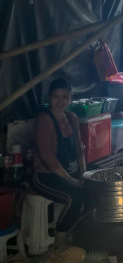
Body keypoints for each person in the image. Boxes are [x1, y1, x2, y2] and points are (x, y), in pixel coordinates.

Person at [32, 78, 86, 244]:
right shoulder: (44, 120)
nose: (60, 101)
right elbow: (48, 158)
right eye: (56, 96)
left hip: (69, 172)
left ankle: (78, 236)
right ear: (49, 97)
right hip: (45, 176)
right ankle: (59, 244)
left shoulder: (71, 118)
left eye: (65, 97)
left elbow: (79, 147)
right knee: (74, 198)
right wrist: (72, 181)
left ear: (70, 98)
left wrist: (84, 173)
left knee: (93, 190)